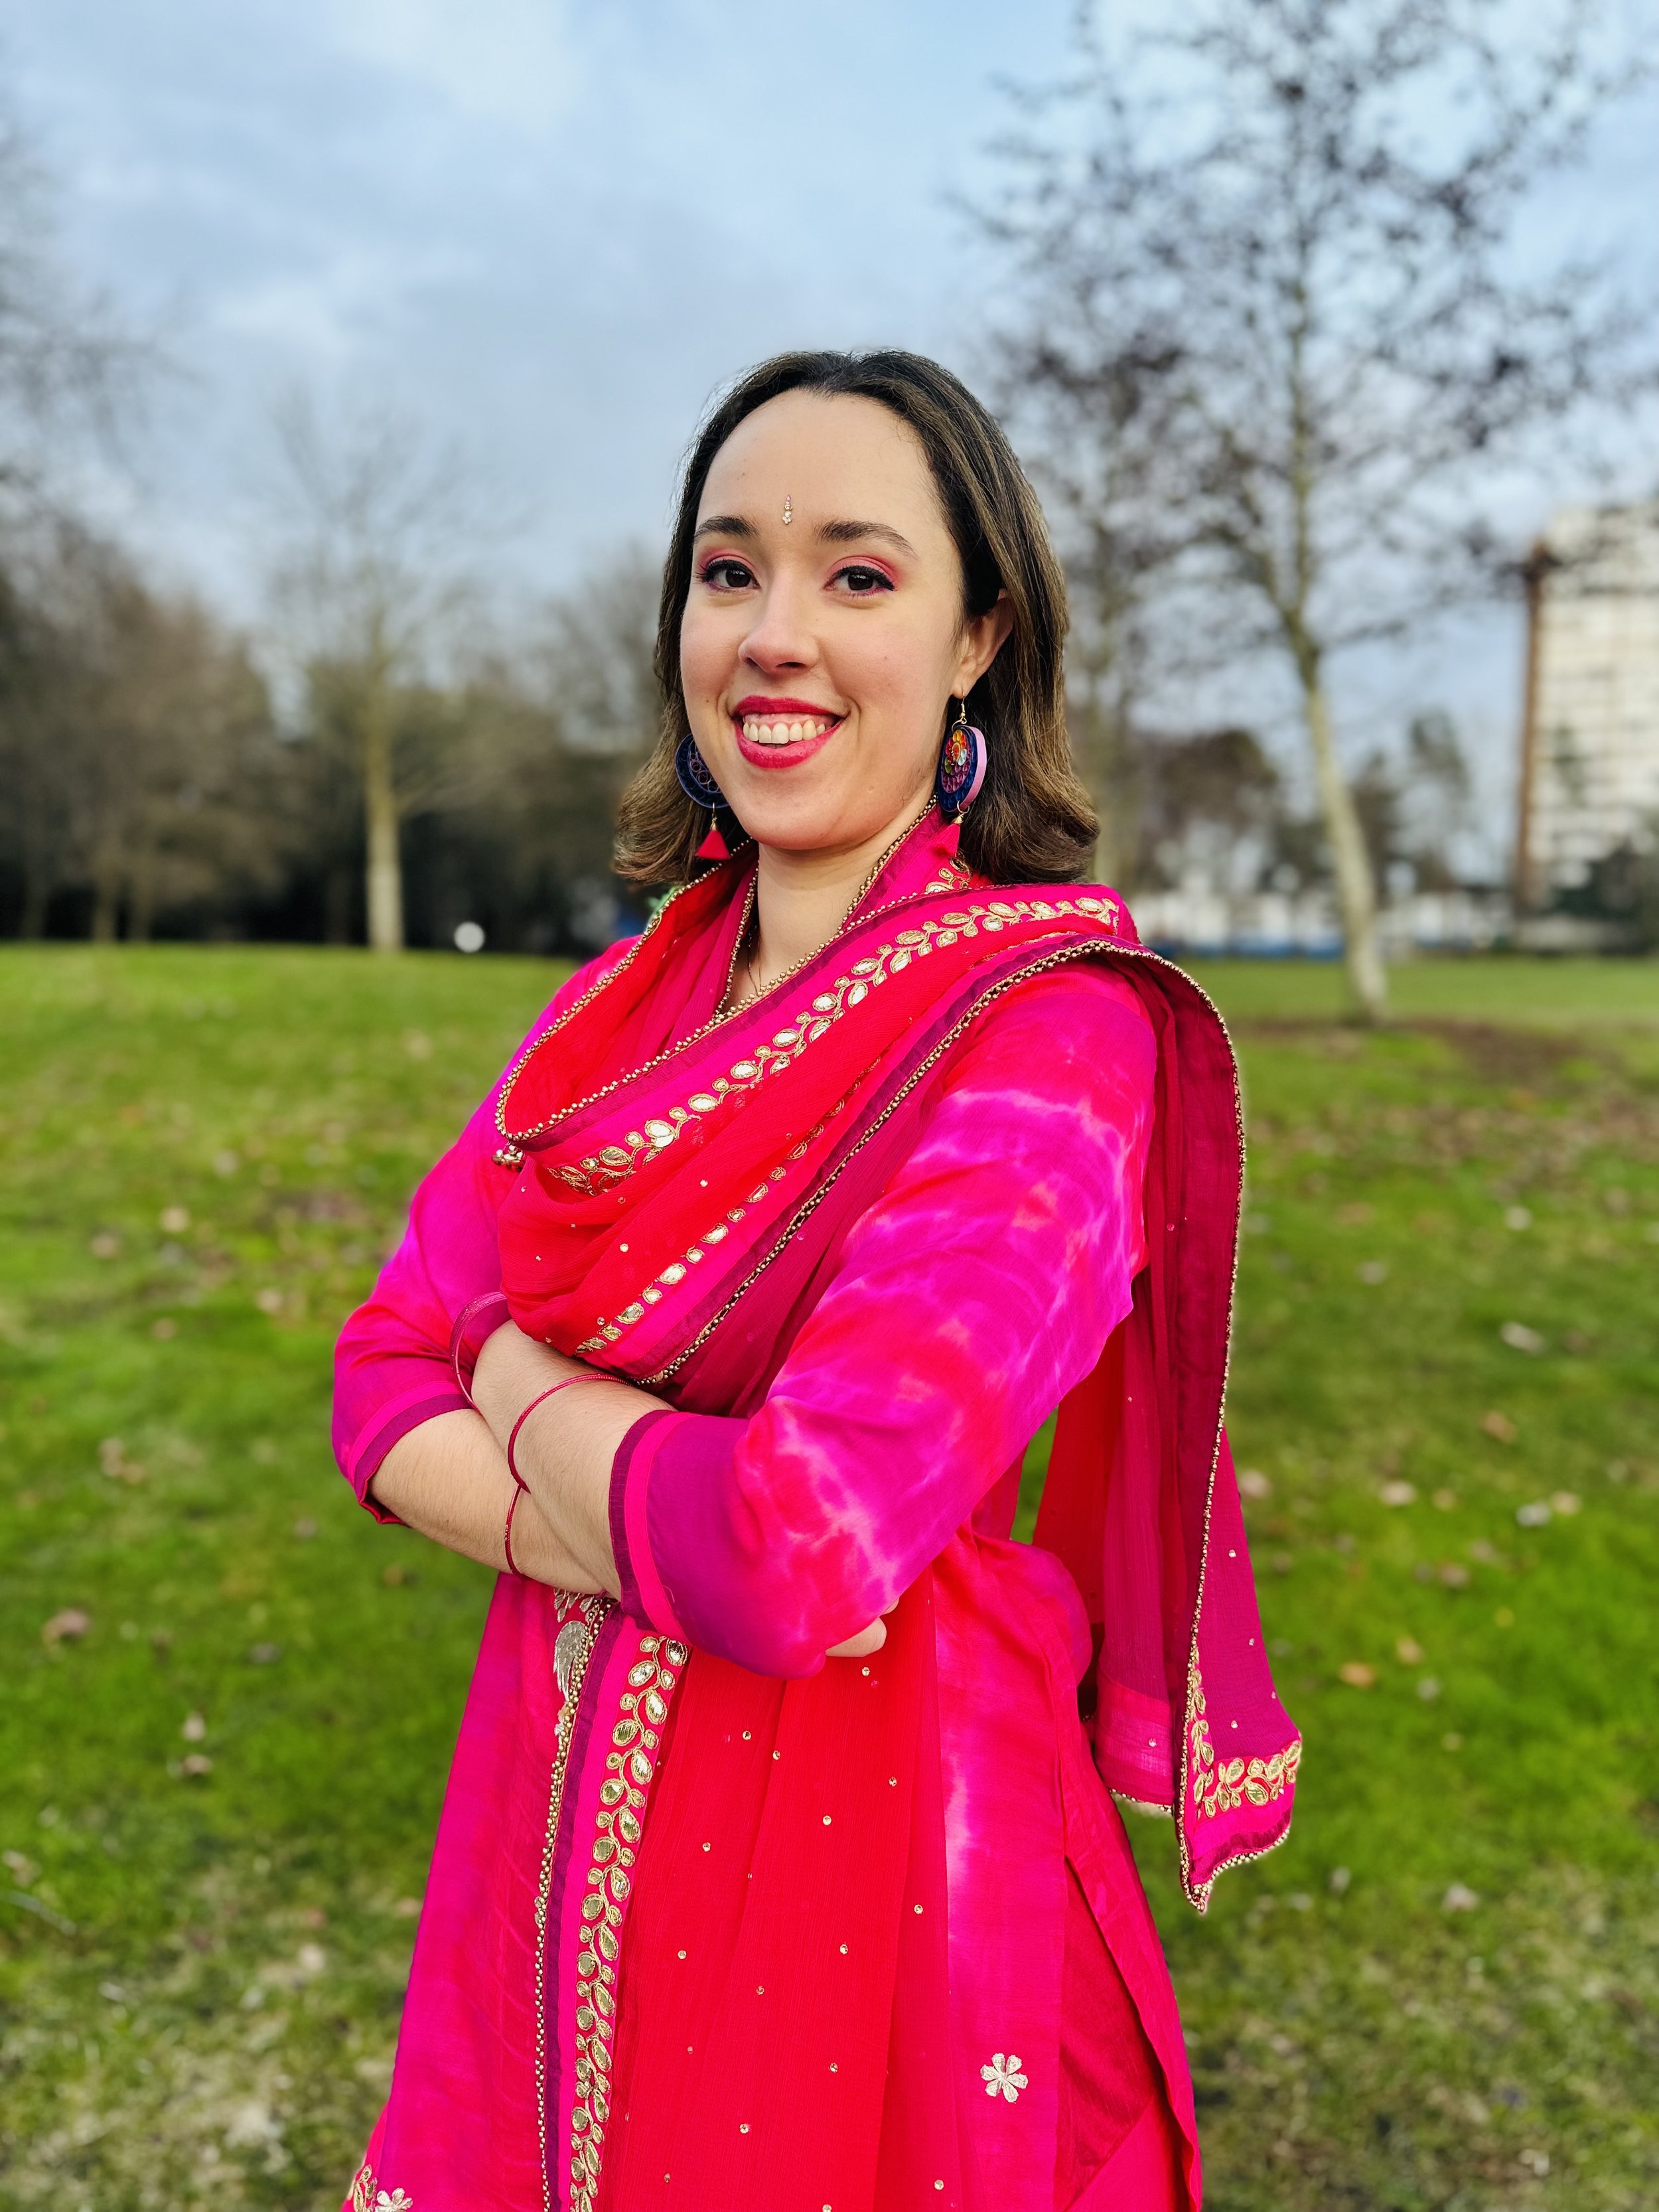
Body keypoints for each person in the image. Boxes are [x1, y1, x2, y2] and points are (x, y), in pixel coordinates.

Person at [332, 350, 1299, 2212]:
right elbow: (376, 1375)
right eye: (726, 570)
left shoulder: (1046, 1045)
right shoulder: (617, 1011)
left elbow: (794, 1548)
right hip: (548, 1816)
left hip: (868, 1882)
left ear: (973, 642)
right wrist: (612, 1523)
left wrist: (519, 1387)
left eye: (857, 575)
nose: (774, 633)